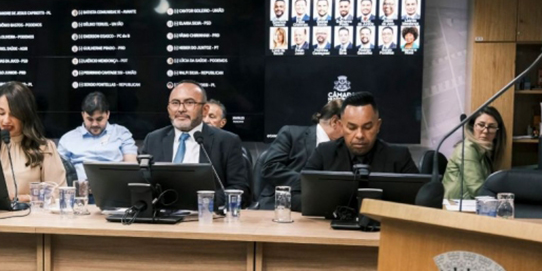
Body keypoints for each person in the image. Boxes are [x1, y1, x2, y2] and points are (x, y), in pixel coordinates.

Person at [140, 80, 250, 208]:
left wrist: (202, 201)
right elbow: (141, 183)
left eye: (189, 103)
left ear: (205, 110)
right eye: (175, 103)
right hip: (162, 215)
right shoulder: (153, 139)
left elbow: (240, 190)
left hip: (206, 215)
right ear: (168, 108)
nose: (181, 109)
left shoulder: (227, 141)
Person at [0, 82, 66, 202]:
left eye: (13, 114)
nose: (5, 120)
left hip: (29, 213)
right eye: (1, 113)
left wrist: (26, 198)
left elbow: (59, 193)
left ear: (25, 114)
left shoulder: (44, 148)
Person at [304, 92, 418, 174]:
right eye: (352, 128)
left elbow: (419, 198)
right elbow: (299, 192)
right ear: (341, 126)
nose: (360, 135)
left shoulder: (399, 157)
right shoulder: (324, 154)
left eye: (367, 127)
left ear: (378, 126)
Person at [259, 99, 344, 210]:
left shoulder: (345, 148)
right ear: (335, 122)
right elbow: (270, 168)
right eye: (350, 126)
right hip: (282, 205)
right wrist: (308, 182)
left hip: (326, 208)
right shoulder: (291, 134)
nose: (354, 132)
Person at [57, 91, 137, 181]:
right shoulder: (68, 139)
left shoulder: (121, 133)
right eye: (90, 119)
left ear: (107, 114)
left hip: (114, 186)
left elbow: (131, 168)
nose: (94, 124)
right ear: (83, 115)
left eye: (99, 119)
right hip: (79, 188)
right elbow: (57, 171)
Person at [442, 107, 506, 200]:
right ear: (472, 127)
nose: (485, 131)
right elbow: (477, 190)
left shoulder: (484, 152)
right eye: (481, 125)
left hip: (473, 204)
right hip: (457, 206)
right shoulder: (467, 149)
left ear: (497, 132)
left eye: (491, 127)